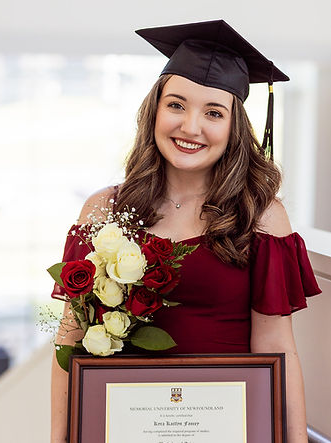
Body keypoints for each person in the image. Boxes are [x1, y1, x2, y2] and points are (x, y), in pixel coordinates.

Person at [51, 20, 321, 443]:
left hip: (229, 428)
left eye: (213, 113)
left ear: (234, 128)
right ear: (154, 110)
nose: (191, 127)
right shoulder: (105, 211)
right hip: (125, 428)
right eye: (176, 105)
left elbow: (278, 348)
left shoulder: (259, 216)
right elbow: (71, 339)